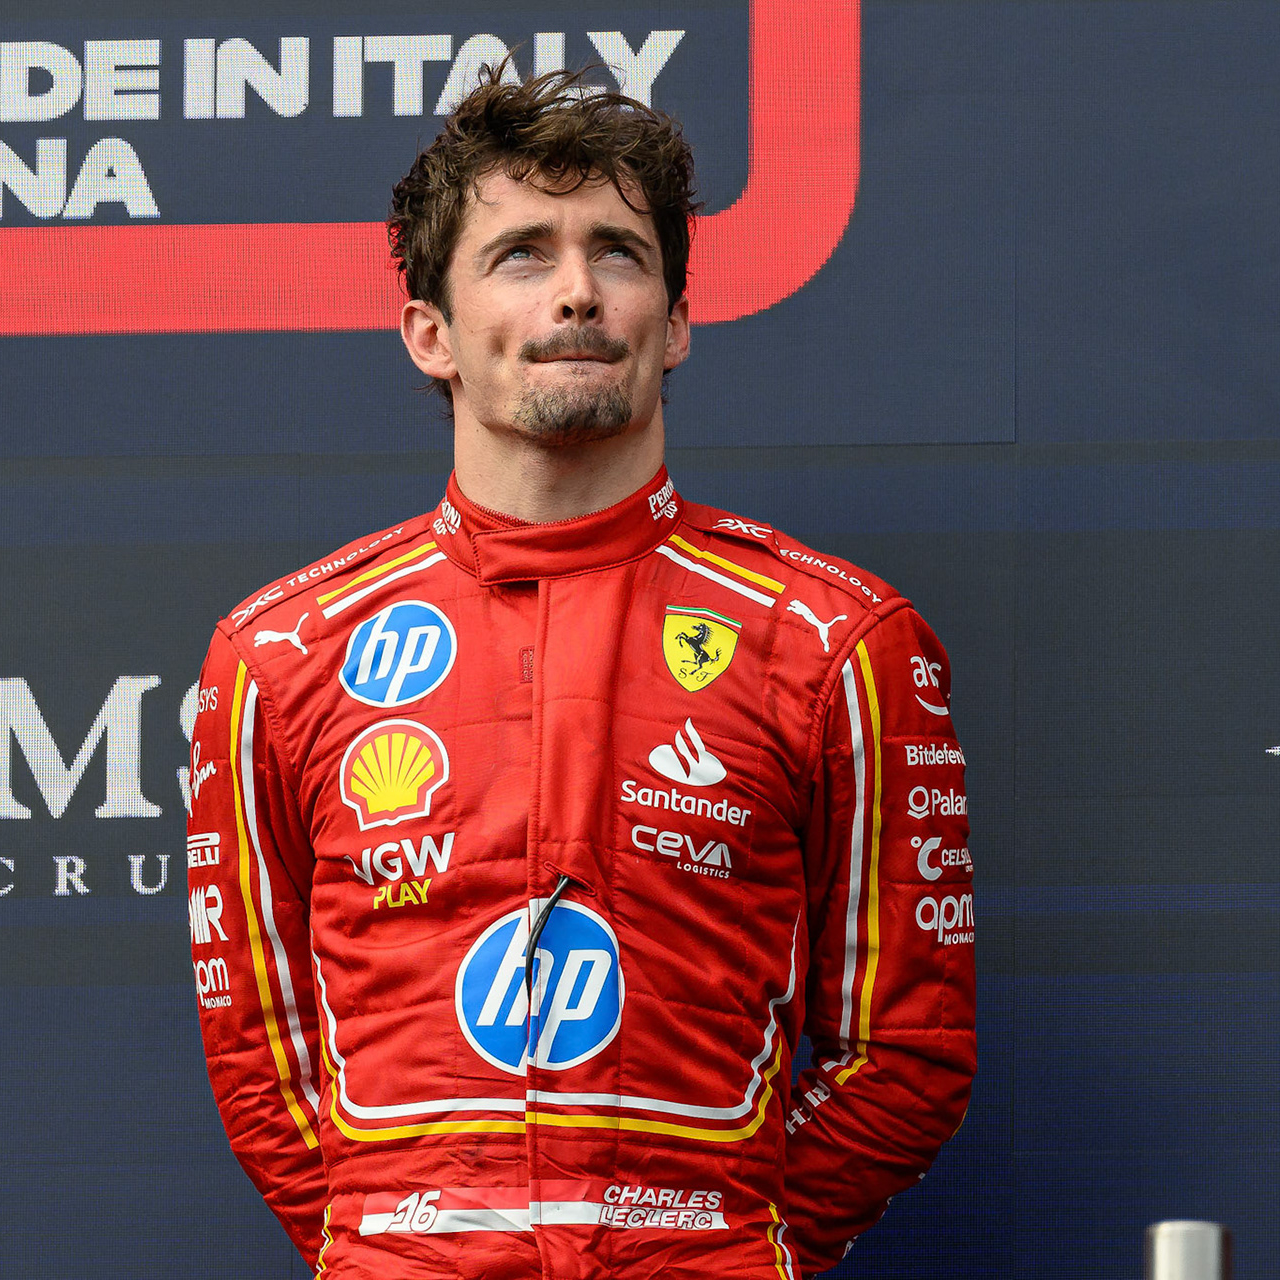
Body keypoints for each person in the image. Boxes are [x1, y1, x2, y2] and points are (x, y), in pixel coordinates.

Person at [185, 67, 974, 1278]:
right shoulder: (282, 655)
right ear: (429, 334)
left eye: (618, 251)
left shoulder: (835, 640)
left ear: (676, 320)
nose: (576, 290)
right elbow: (262, 1053)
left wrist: (719, 1246)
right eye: (520, 255)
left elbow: (906, 1048)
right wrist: (405, 1249)